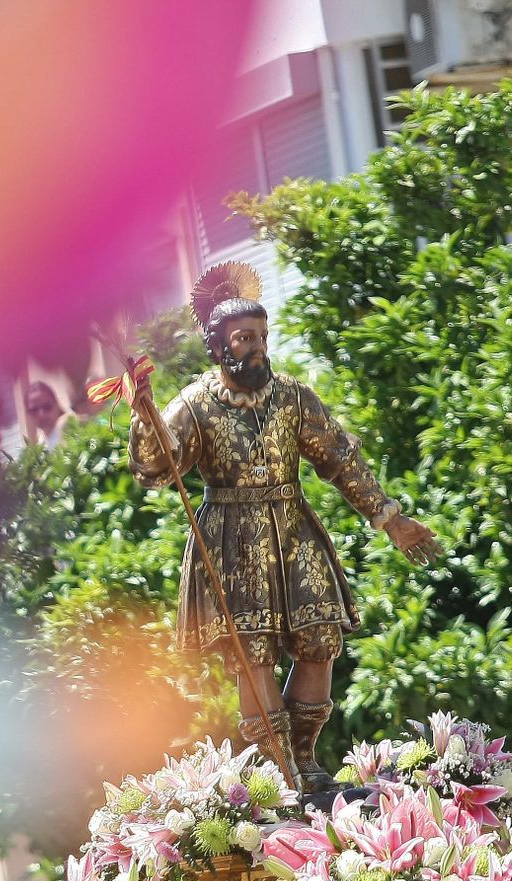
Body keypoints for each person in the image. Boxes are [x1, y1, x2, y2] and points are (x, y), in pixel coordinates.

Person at [125, 262, 442, 794]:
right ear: (218, 345)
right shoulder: (196, 405)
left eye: (262, 337)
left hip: (293, 531)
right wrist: (147, 420)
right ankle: (276, 769)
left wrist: (390, 519)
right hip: (231, 540)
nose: (257, 348)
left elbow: (340, 459)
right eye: (244, 339)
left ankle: (302, 756)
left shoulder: (292, 397)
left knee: (320, 639)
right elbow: (158, 470)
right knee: (254, 655)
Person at [25, 381, 71, 448]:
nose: (41, 414)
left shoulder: (68, 424)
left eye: (46, 407)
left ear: (56, 404)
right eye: (34, 410)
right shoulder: (41, 443)